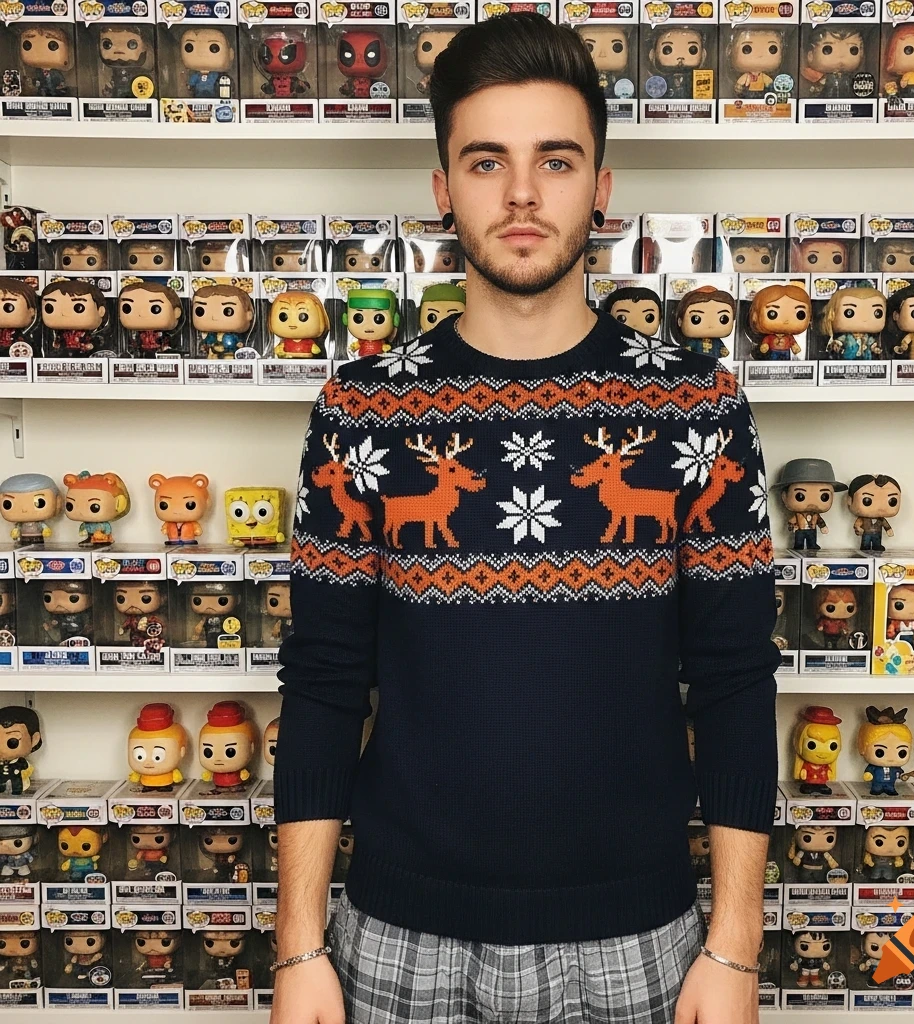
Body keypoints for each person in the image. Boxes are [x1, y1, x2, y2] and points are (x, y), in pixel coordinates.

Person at [271, 13, 779, 1024]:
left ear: (599, 188)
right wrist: (297, 951)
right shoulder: (360, 410)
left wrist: (735, 949)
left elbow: (731, 679)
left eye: (554, 161)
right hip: (397, 948)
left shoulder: (697, 407)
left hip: (643, 949)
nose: (518, 195)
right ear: (440, 190)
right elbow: (324, 680)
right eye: (484, 161)